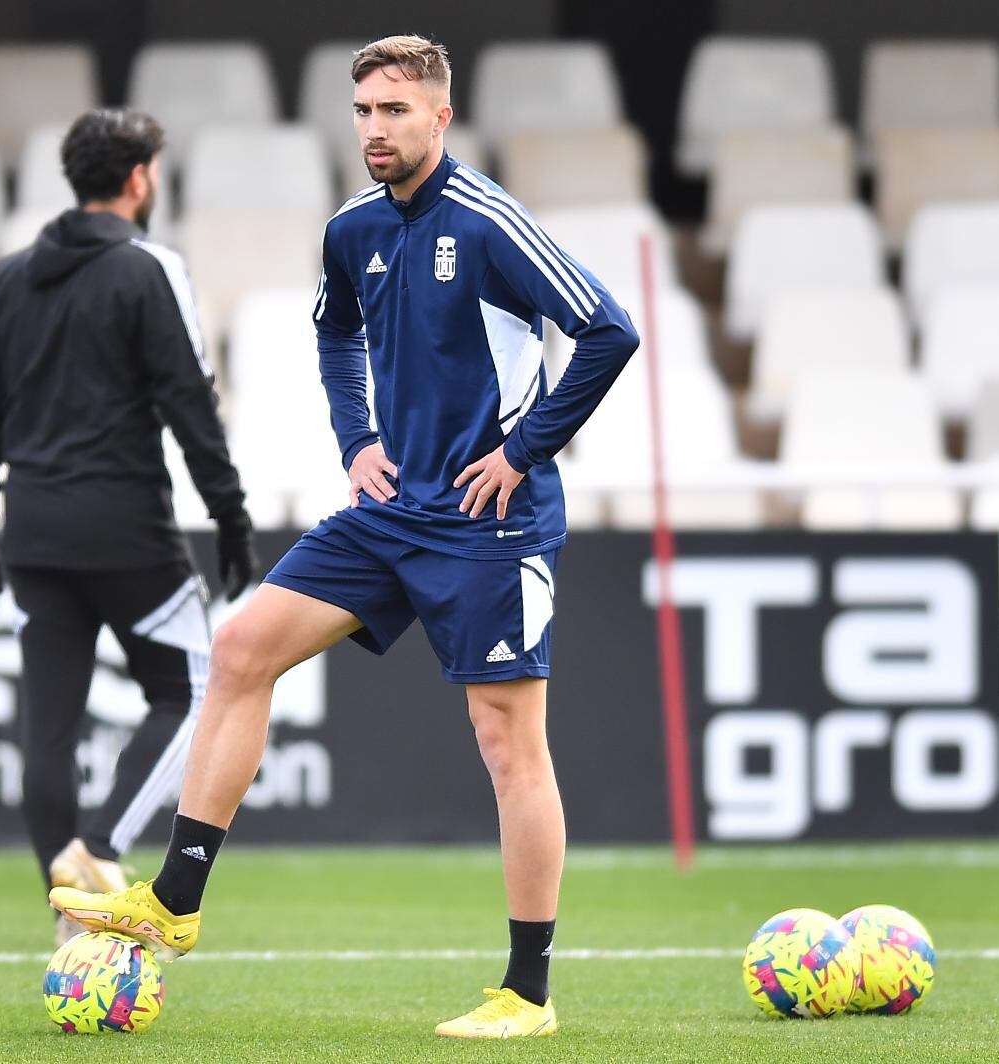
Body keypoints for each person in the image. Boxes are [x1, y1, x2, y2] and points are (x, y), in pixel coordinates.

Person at [51, 36, 639, 1037]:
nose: (374, 128)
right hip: (388, 512)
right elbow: (333, 332)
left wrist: (523, 451)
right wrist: (356, 437)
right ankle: (176, 901)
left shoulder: (490, 220)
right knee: (240, 649)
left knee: (508, 745)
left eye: (394, 110)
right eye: (363, 110)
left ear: (439, 118)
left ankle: (527, 993)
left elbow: (607, 327)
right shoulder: (351, 229)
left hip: (490, 524)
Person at [0, 108, 258, 946]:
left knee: (46, 725)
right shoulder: (148, 268)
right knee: (198, 689)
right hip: (125, 530)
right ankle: (98, 851)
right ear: (137, 179)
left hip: (35, 533)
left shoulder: (11, 277)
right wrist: (229, 514)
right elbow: (189, 402)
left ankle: (69, 916)